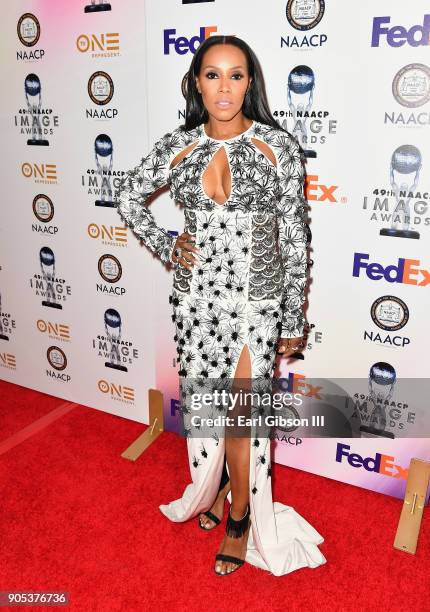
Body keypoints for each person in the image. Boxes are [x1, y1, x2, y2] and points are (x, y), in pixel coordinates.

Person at [115, 34, 326, 577]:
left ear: (250, 82)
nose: (224, 87)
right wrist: (167, 246)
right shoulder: (177, 144)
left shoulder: (277, 147)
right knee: (210, 411)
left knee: (242, 414)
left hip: (258, 301)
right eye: (213, 75)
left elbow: (296, 236)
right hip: (197, 301)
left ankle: (239, 517)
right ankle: (220, 481)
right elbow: (128, 194)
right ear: (196, 83)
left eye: (236, 75)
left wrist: (294, 317)